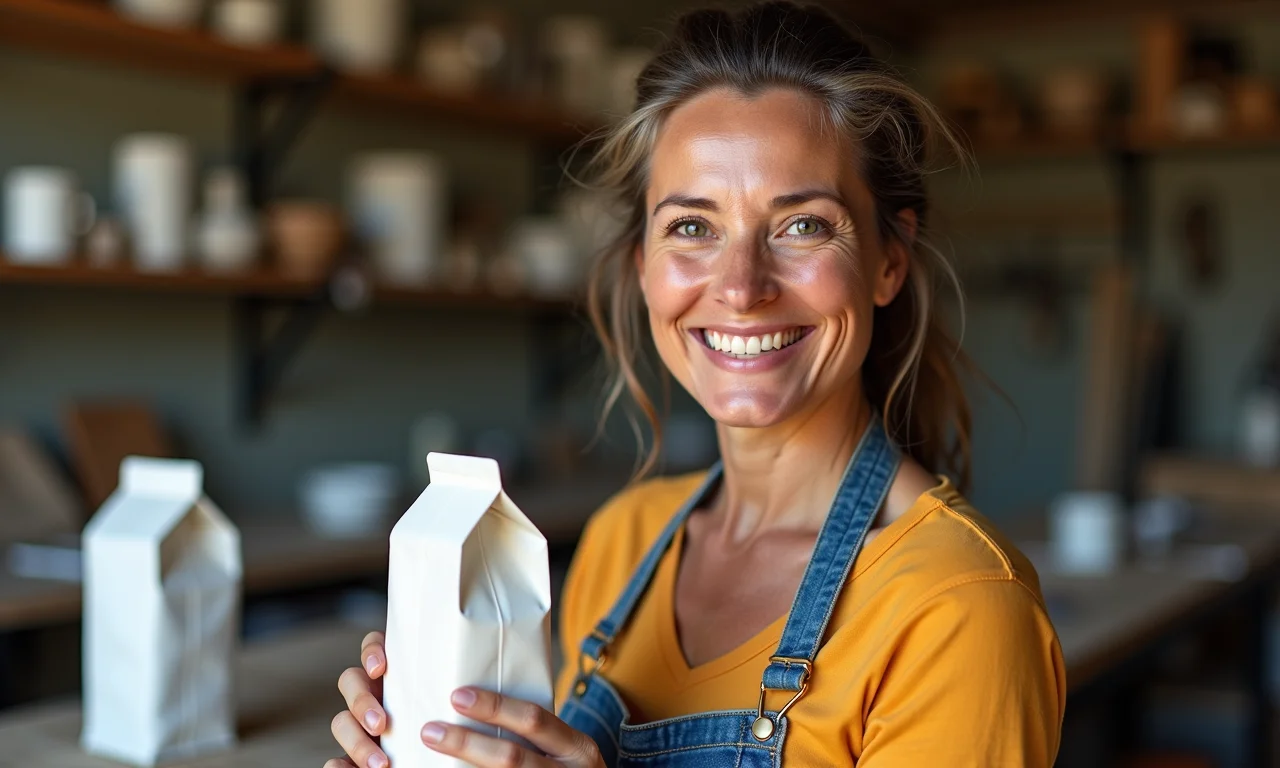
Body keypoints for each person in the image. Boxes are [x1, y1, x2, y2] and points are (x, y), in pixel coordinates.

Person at [326, 2, 1065, 766]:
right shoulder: (622, 544)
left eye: (803, 224)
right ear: (643, 264)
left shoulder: (959, 604)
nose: (741, 288)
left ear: (887, 260)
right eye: (691, 226)